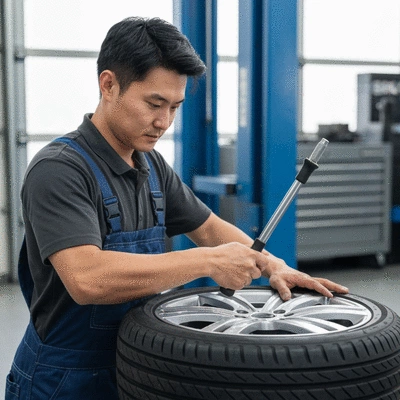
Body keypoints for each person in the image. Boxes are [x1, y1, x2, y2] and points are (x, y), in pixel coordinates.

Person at [5, 16, 349, 400]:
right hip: (63, 379)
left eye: (175, 107)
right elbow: (87, 278)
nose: (163, 122)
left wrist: (275, 266)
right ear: (108, 85)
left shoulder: (151, 166)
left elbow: (210, 227)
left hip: (136, 364)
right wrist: (209, 263)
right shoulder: (60, 169)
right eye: (154, 104)